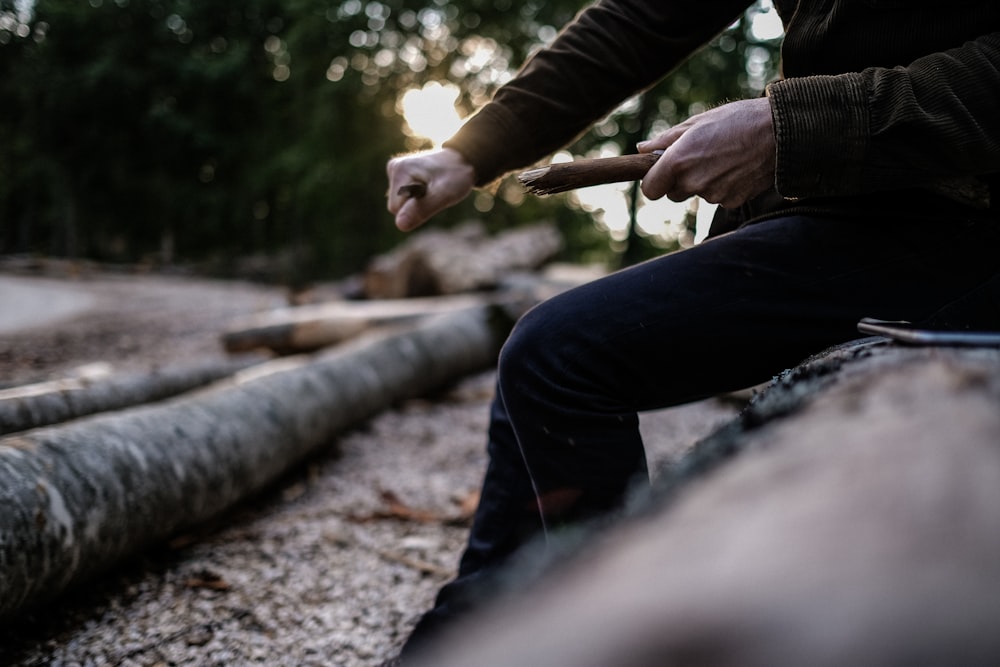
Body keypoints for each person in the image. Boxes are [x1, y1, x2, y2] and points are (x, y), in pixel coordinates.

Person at [385, 0, 1000, 660]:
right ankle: (475, 628)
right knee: (540, 362)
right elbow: (641, 18)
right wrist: (469, 152)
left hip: (964, 224)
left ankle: (591, 637)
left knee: (558, 355)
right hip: (846, 208)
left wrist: (788, 128)